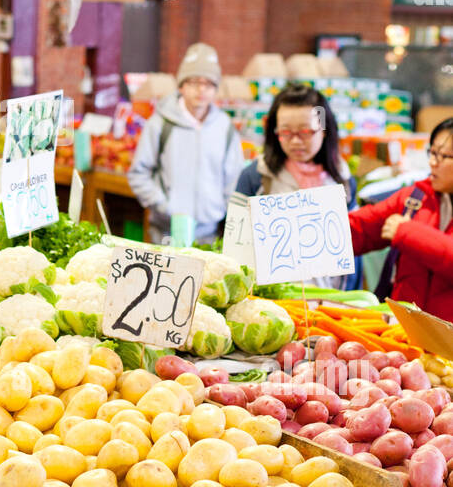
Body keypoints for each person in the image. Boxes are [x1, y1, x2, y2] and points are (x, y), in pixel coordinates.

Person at [235, 83, 354, 289]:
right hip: (272, 298)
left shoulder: (342, 180)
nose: (296, 141)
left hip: (330, 299)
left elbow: (352, 245)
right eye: (286, 132)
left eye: (306, 132)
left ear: (324, 130)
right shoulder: (256, 176)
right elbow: (236, 243)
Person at [127, 42, 243, 244]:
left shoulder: (225, 128)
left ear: (216, 89)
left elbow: (234, 177)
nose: (201, 90)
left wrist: (222, 208)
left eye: (208, 84)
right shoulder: (160, 124)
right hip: (165, 232)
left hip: (209, 233)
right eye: (194, 82)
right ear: (181, 86)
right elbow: (139, 173)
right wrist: (162, 205)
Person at [348, 117, 453, 321]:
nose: (433, 162)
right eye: (432, 152)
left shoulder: (405, 222)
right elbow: (359, 228)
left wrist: (406, 232)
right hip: (401, 336)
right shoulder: (414, 198)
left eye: (444, 156)